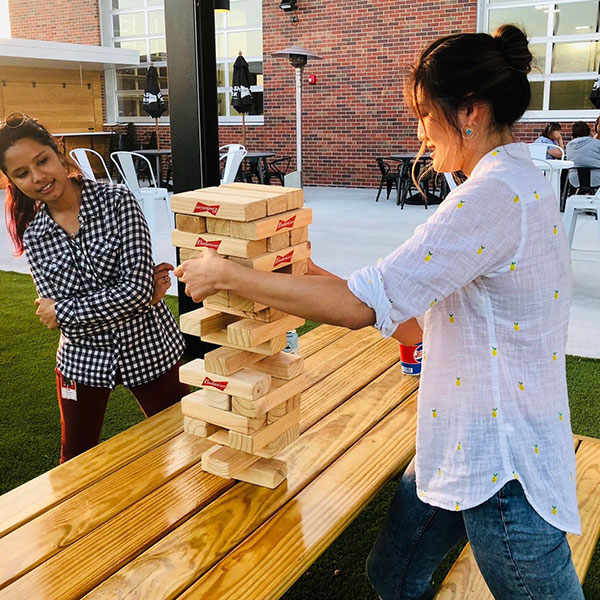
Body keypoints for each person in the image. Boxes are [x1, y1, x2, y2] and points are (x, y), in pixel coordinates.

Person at [175, 24, 583, 600]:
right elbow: (415, 316)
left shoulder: (488, 198)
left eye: (423, 114)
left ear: (469, 111)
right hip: (460, 437)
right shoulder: (523, 181)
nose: (419, 132)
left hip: (501, 461)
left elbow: (361, 307)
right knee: (392, 574)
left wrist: (227, 274)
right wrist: (307, 273)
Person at [0, 113, 189, 463]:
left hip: (150, 347)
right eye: (22, 173)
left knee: (183, 439)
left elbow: (116, 296)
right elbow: (124, 297)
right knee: (75, 457)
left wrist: (66, 309)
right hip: (81, 362)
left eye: (42, 161)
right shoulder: (36, 235)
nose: (39, 177)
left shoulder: (117, 200)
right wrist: (139, 297)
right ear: (11, 181)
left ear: (58, 153)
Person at [565, 120, 600, 189]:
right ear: (588, 131)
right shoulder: (597, 143)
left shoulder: (569, 145)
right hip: (596, 179)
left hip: (574, 180)